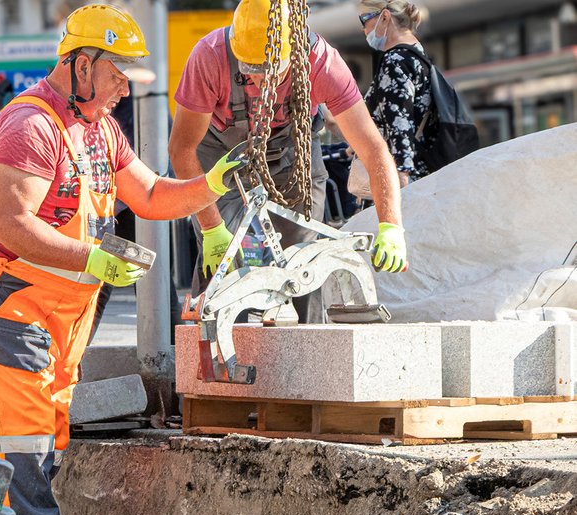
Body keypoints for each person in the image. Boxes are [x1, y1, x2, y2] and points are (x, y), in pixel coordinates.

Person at [0, 3, 253, 515]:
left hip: (55, 311)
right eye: (118, 75)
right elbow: (10, 224)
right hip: (5, 299)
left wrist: (212, 184)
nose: (126, 89)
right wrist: (93, 258)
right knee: (21, 437)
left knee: (44, 431)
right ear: (82, 65)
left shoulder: (101, 130)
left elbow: (152, 194)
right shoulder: (30, 126)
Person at [168, 0, 409, 314]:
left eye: (270, 71)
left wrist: (391, 226)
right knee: (220, 257)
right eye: (250, 70)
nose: (258, 82)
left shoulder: (322, 63)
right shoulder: (210, 56)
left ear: (293, 54)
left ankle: (309, 344)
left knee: (305, 256)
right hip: (219, 153)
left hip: (291, 149)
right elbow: (182, 149)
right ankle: (209, 347)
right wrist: (211, 228)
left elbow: (372, 148)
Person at [359, 0, 431, 186]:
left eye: (364, 19)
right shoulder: (418, 56)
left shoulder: (395, 61)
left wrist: (402, 171)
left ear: (384, 17)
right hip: (421, 166)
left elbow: (400, 119)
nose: (363, 29)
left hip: (395, 174)